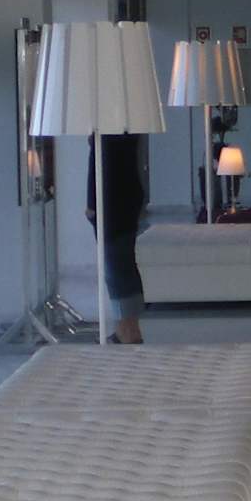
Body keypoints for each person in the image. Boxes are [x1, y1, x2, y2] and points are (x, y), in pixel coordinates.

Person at [84, 132, 148, 344]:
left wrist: (92, 203)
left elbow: (101, 164)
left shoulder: (109, 129)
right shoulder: (126, 124)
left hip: (112, 200)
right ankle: (128, 327)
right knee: (123, 263)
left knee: (116, 266)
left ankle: (128, 330)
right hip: (124, 196)